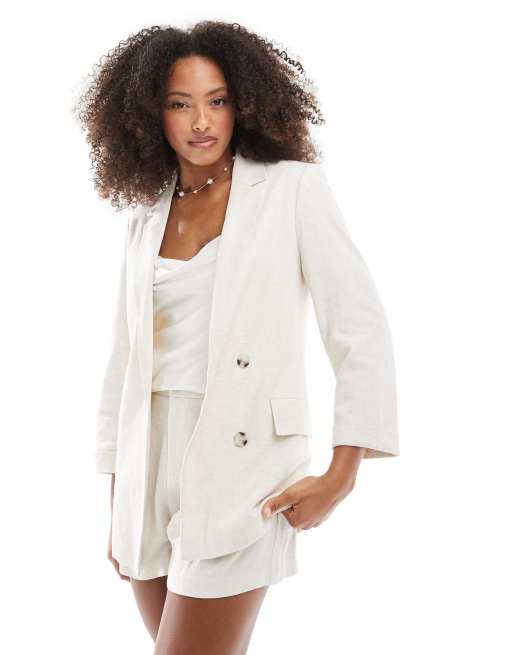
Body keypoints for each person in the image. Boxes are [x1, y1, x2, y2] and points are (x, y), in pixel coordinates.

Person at [74, 20, 400, 655]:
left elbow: (359, 329)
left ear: (243, 102)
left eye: (217, 100)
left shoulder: (290, 189)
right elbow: (125, 363)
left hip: (244, 463)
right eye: (180, 103)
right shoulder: (146, 214)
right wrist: (119, 504)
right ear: (149, 115)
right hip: (148, 468)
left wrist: (342, 475)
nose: (201, 122)